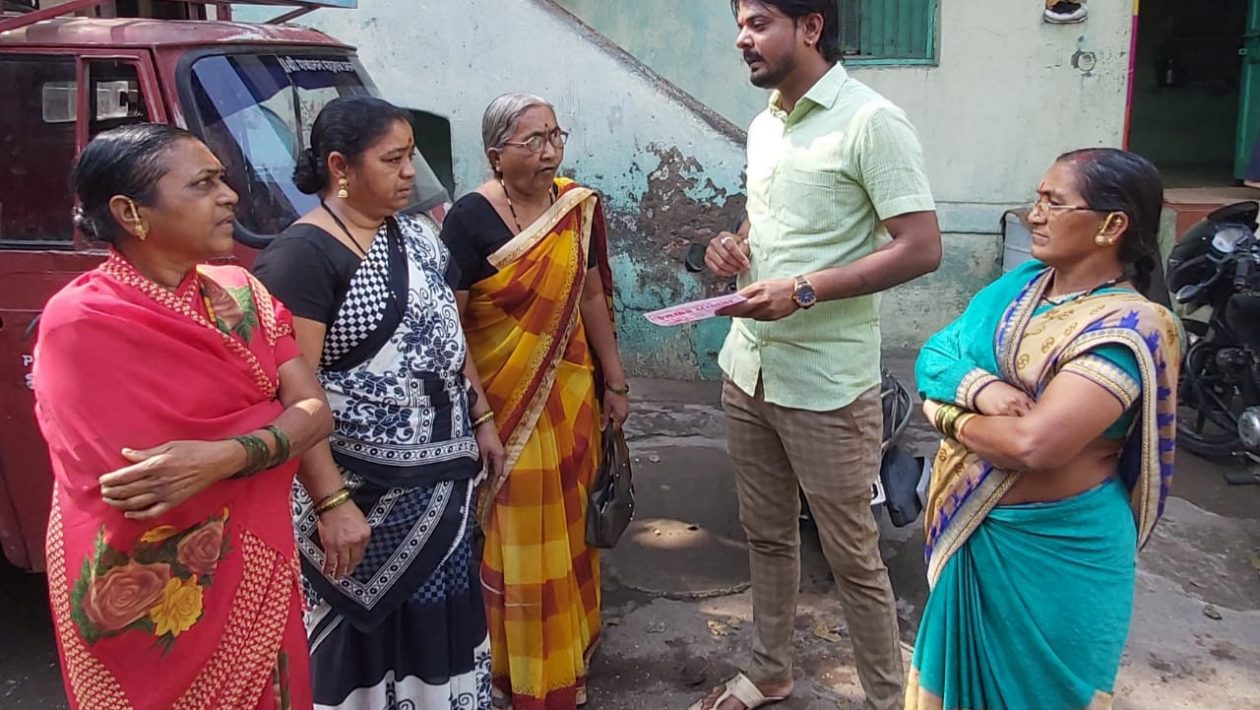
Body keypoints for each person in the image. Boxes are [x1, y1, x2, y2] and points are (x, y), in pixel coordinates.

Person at [34, 124, 335, 709]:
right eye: (203, 184)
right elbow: (140, 480)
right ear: (130, 213)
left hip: (256, 574)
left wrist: (223, 454)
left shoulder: (241, 294)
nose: (230, 196)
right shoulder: (82, 320)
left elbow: (316, 412)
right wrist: (276, 421)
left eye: (222, 179)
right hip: (144, 593)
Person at [695, 2, 943, 709]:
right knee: (767, 536)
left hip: (828, 385)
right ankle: (770, 670)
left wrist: (803, 290)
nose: (742, 38)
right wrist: (731, 246)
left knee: (852, 555)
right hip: (749, 370)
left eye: (759, 22)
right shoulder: (765, 124)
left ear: (809, 27)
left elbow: (921, 247)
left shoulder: (872, 122)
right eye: (740, 23)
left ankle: (887, 697)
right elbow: (768, 219)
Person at [908, 148, 1184, 709]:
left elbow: (1033, 445)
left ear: (1112, 225)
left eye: (1054, 203)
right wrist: (980, 390)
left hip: (1059, 555)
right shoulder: (1019, 288)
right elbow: (935, 354)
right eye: (1036, 200)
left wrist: (943, 414)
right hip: (978, 537)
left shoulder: (1131, 326)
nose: (1035, 215)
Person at [252, 96, 497, 709]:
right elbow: (293, 394)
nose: (409, 172)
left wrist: (482, 416)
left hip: (440, 492)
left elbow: (447, 337)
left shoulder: (417, 234)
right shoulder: (302, 258)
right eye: (392, 159)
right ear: (340, 166)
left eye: (411, 156)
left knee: (438, 633)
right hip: (359, 504)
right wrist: (332, 501)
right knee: (360, 651)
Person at [438, 92, 628, 710]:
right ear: (497, 155)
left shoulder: (575, 207)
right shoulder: (468, 220)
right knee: (518, 536)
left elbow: (592, 296)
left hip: (571, 396)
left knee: (570, 528)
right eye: (534, 141)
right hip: (504, 403)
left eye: (555, 136)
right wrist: (479, 416)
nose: (550, 152)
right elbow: (452, 329)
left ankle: (571, 646)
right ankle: (521, 671)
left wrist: (615, 382)